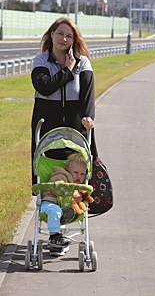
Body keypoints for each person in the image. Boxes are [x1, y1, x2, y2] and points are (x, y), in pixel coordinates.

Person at [31, 17, 97, 187]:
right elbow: (45, 87)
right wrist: (67, 70)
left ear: (74, 40)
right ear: (52, 34)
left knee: (78, 177)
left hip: (75, 129)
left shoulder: (82, 63)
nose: (64, 39)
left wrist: (88, 117)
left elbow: (87, 95)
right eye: (60, 33)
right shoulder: (41, 61)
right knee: (47, 177)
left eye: (69, 36)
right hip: (47, 128)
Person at [41, 152, 88, 255]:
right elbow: (58, 186)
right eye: (76, 172)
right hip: (50, 203)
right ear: (67, 170)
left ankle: (66, 216)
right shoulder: (61, 176)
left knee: (72, 210)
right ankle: (54, 237)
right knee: (55, 210)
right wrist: (68, 191)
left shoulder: (77, 185)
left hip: (65, 207)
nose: (79, 176)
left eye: (82, 174)